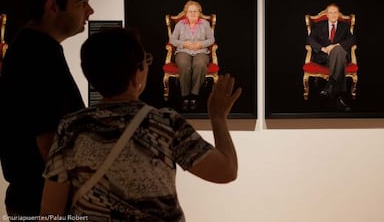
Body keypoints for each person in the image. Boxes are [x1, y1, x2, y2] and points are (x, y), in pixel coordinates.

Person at [40, 28, 241, 221]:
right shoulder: (165, 124)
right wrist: (218, 117)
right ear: (138, 72)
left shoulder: (71, 127)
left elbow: (50, 210)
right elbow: (226, 171)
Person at [0, 0, 94, 216]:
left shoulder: (36, 48)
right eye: (81, 3)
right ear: (52, 6)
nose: (90, 11)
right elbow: (50, 143)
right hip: (45, 202)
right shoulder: (37, 53)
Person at [308, 3, 356, 111]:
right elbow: (311, 39)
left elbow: (352, 39)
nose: (333, 15)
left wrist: (336, 46)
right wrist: (323, 48)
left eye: (335, 12)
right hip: (323, 57)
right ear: (327, 14)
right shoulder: (319, 26)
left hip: (341, 56)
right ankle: (337, 94)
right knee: (339, 55)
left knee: (338, 50)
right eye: (331, 12)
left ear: (338, 14)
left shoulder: (344, 27)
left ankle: (330, 87)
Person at [170, 0, 215, 111]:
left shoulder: (204, 24)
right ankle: (185, 96)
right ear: (186, 13)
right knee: (185, 65)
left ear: (199, 12)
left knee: (199, 65)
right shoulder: (180, 24)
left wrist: (200, 44)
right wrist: (184, 44)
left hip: (201, 51)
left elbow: (211, 39)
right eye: (190, 11)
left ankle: (194, 95)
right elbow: (173, 40)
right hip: (183, 51)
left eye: (195, 11)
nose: (193, 14)